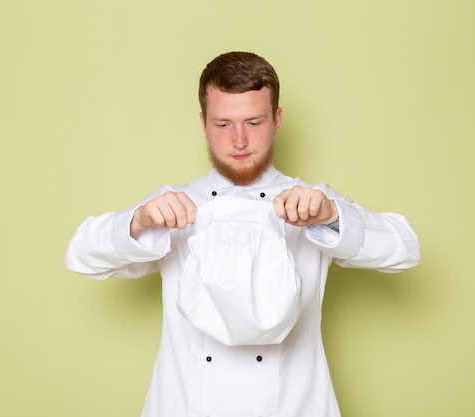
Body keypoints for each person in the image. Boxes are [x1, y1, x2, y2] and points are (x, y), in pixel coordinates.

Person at [66, 51, 420, 417]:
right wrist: (137, 221)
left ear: (277, 119)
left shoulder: (311, 201)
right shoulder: (173, 204)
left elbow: (405, 248)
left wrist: (332, 216)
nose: (239, 141)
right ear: (203, 123)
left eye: (253, 122)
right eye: (223, 125)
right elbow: (81, 256)